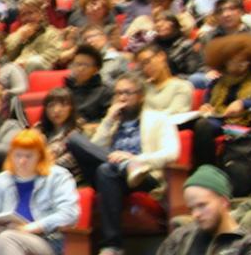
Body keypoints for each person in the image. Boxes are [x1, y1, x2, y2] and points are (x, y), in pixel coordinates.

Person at [66, 73, 180, 255]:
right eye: (118, 93)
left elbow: (171, 153)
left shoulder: (159, 119)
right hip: (112, 176)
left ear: (141, 95)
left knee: (105, 170)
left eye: (128, 93)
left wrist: (137, 160)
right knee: (74, 140)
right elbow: (93, 150)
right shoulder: (113, 122)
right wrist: (108, 120)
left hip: (144, 177)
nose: (122, 98)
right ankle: (124, 167)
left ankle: (112, 246)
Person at [0, 129, 79, 255]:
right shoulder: (2, 179)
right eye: (18, 155)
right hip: (5, 232)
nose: (22, 161)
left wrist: (32, 228)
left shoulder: (57, 176)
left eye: (29, 156)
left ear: (40, 156)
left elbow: (70, 214)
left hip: (46, 239)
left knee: (8, 238)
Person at [192, 34, 251, 169]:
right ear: (225, 62)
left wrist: (243, 103)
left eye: (246, 61)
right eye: (237, 61)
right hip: (219, 121)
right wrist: (206, 107)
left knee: (204, 126)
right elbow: (207, 102)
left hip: (247, 126)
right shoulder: (216, 83)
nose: (243, 65)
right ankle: (206, 169)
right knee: (201, 125)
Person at [157, 165, 251, 254]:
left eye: (202, 205)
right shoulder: (180, 236)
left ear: (224, 202)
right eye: (191, 208)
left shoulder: (249, 243)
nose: (195, 214)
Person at [35, 88, 85, 184]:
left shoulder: (78, 130)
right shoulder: (39, 128)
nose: (56, 110)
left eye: (63, 105)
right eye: (51, 106)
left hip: (67, 179)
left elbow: (70, 160)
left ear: (71, 108)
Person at [5, 0, 62, 73]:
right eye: (23, 15)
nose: (27, 18)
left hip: (39, 72)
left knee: (34, 62)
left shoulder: (52, 33)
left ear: (41, 14)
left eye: (30, 13)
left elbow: (54, 55)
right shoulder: (18, 34)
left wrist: (26, 62)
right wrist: (20, 38)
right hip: (16, 71)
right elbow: (6, 55)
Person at [136, 43, 193, 115]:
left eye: (147, 61)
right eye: (142, 66)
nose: (146, 68)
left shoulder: (182, 86)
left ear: (161, 56)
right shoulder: (144, 88)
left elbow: (175, 115)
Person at [64, 44, 113, 128]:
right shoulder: (65, 90)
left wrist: (86, 125)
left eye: (85, 65)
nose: (80, 69)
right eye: (77, 64)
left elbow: (109, 121)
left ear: (96, 69)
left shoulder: (104, 92)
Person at [151, 11, 203, 83]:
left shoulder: (186, 45)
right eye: (157, 22)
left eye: (165, 21)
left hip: (182, 82)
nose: (159, 24)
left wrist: (173, 78)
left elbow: (192, 72)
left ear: (175, 25)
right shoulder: (151, 47)